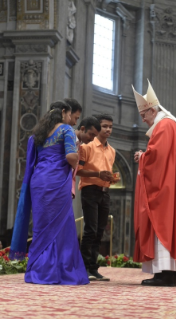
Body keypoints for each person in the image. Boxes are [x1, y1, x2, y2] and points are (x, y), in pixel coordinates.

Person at [9, 100, 89, 285]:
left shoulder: (38, 133)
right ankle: (59, 270)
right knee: (61, 225)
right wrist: (78, 159)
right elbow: (70, 156)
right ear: (63, 112)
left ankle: (39, 269)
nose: (71, 120)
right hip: (56, 182)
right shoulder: (66, 130)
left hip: (38, 182)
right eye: (70, 115)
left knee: (42, 225)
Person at [132, 80, 176, 287]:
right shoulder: (169, 124)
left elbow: (157, 157)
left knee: (162, 225)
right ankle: (164, 273)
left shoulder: (165, 125)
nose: (143, 120)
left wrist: (142, 156)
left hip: (165, 186)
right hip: (170, 182)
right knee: (166, 225)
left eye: (143, 115)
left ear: (152, 110)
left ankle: (165, 274)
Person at [77, 114, 119, 281]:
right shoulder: (87, 146)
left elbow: (106, 172)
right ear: (97, 127)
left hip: (104, 192)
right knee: (90, 230)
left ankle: (93, 268)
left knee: (100, 231)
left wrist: (112, 178)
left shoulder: (112, 150)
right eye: (104, 126)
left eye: (110, 126)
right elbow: (78, 171)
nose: (108, 129)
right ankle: (84, 267)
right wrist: (98, 173)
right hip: (90, 190)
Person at [72, 116, 101, 199]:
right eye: (91, 134)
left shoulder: (80, 145)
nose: (92, 139)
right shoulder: (69, 138)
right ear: (82, 128)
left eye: (94, 136)